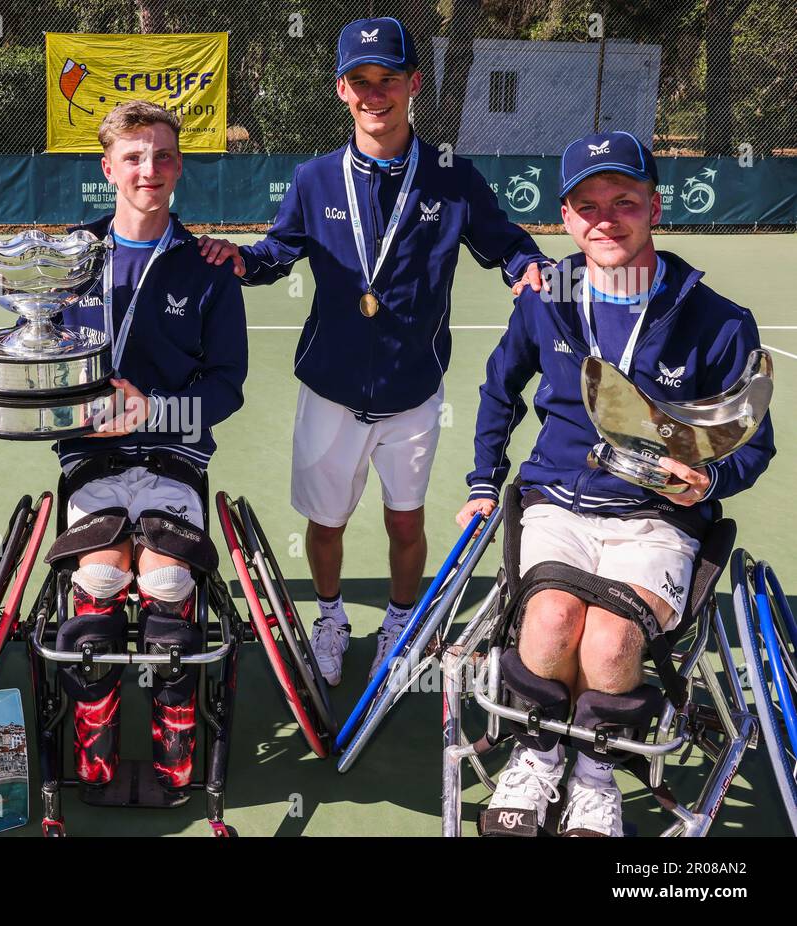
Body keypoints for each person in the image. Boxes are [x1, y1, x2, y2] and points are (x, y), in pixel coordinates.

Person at [197, 16, 550, 686]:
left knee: (405, 521)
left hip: (413, 391)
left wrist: (526, 268)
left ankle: (398, 619)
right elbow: (277, 252)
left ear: (413, 83)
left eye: (388, 78)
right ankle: (330, 617)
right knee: (325, 524)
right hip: (329, 388)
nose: (374, 93)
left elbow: (507, 244)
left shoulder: (453, 179)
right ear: (341, 90)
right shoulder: (315, 179)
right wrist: (240, 262)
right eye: (360, 81)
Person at [455, 131, 774, 836]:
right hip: (557, 503)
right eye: (587, 205)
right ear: (565, 220)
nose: (606, 218)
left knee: (607, 643)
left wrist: (706, 480)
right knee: (550, 620)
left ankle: (595, 773)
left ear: (655, 206)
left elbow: (755, 445)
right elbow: (499, 389)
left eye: (624, 201)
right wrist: (484, 480)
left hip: (656, 517)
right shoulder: (547, 299)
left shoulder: (717, 322)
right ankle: (537, 759)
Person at [0, 101, 246, 790]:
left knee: (168, 581)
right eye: (134, 157)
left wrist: (154, 410)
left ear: (178, 167)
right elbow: (37, 360)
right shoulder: (66, 262)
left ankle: (176, 734)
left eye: (163, 155)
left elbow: (228, 388)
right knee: (101, 578)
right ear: (108, 168)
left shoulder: (208, 268)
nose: (150, 169)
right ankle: (95, 734)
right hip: (91, 464)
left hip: (174, 459)